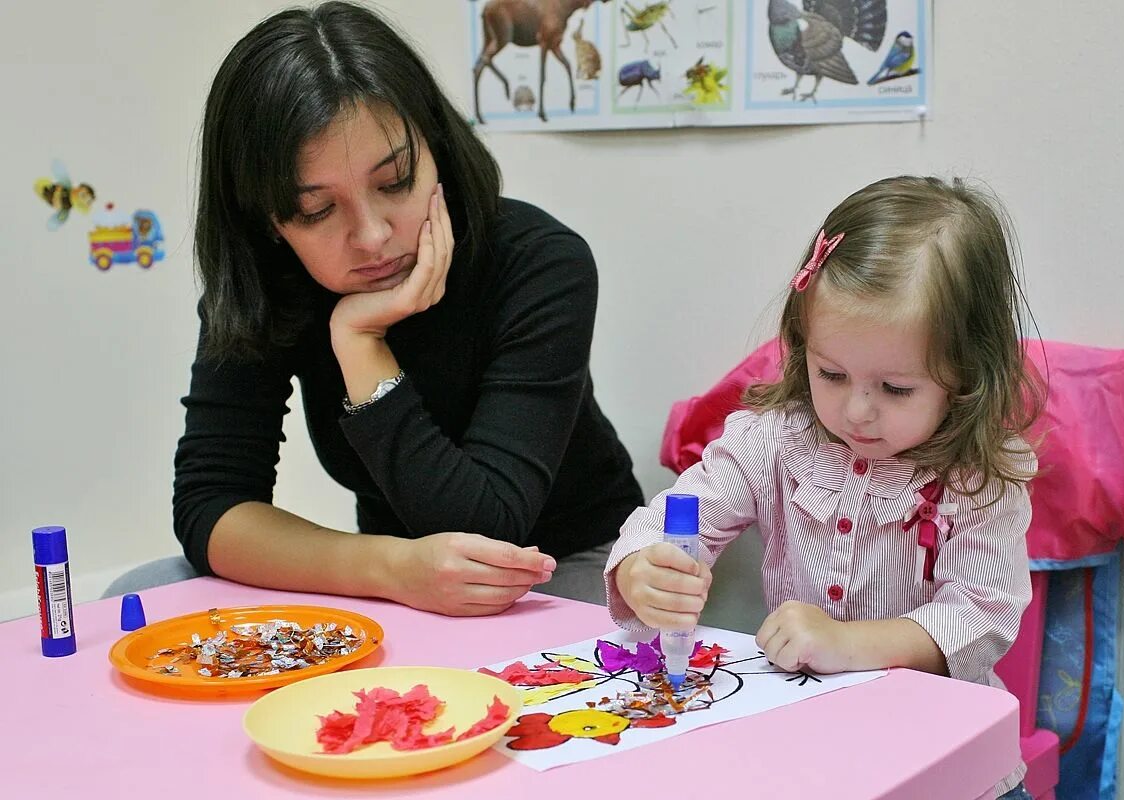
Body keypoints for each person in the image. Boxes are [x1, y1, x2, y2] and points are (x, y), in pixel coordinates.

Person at [105, 1, 642, 615]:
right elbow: (211, 505)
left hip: (559, 565)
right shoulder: (268, 283)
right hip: (395, 571)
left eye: (395, 182)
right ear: (267, 219)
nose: (372, 236)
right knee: (138, 591)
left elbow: (487, 528)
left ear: (436, 148)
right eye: (316, 210)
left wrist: (361, 343)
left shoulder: (538, 261)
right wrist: (390, 568)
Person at [605, 176, 1044, 799]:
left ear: (966, 373)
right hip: (811, 755)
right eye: (831, 373)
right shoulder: (772, 441)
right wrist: (640, 569)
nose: (857, 410)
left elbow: (980, 615)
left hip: (953, 768)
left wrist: (847, 643)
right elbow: (674, 517)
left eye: (896, 389)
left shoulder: (979, 477)